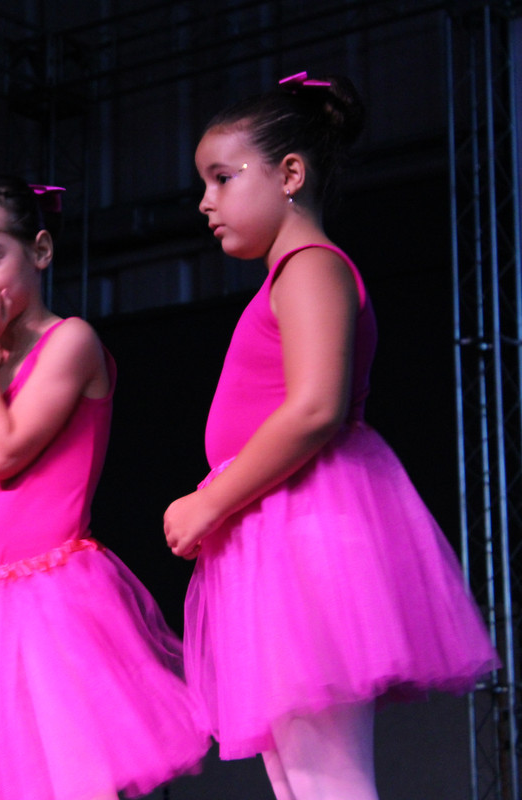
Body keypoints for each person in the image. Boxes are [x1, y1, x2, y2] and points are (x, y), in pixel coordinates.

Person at [163, 72, 499, 800]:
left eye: (222, 179)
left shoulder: (311, 267)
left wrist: (210, 502)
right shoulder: (287, 275)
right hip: (273, 531)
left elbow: (316, 407)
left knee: (327, 778)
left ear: (290, 174)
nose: (205, 202)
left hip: (306, 528)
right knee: (299, 776)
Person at [0, 176, 210, 800]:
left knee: (77, 779)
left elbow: (3, 453)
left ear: (41, 251)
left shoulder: (70, 340)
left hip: (51, 594)